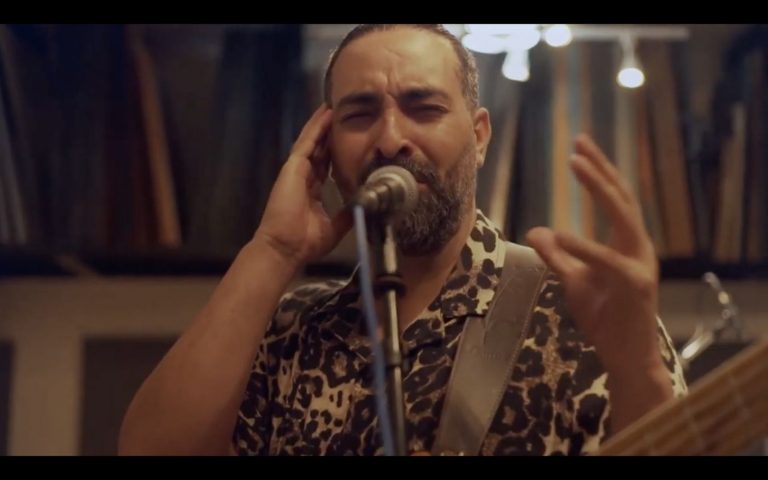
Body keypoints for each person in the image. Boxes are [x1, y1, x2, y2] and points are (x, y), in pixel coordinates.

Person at [118, 24, 687, 456]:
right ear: (325, 149)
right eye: (360, 115)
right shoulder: (294, 330)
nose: (391, 139)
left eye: (424, 108)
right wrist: (274, 249)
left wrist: (639, 368)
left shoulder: (580, 313)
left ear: (479, 137)